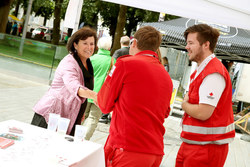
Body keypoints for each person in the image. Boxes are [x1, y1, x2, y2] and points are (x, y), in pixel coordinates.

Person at [97, 26, 173, 166]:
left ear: (134, 43)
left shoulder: (125, 64)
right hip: (154, 150)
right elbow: (165, 112)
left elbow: (104, 104)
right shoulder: (165, 75)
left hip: (128, 148)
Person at [175, 24, 235, 167]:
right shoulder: (205, 70)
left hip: (206, 148)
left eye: (191, 43)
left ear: (206, 45)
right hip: (196, 145)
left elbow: (203, 113)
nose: (186, 47)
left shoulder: (213, 72)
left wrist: (184, 105)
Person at [31, 27, 98, 136]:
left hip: (70, 116)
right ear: (75, 45)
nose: (89, 47)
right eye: (85, 43)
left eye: (92, 44)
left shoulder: (88, 63)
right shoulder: (69, 62)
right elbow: (73, 85)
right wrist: (96, 96)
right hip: (51, 115)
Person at [83, 36, 115, 140]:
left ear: (98, 46)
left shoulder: (90, 59)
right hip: (101, 96)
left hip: (86, 91)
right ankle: (84, 139)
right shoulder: (112, 61)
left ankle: (74, 135)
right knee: (93, 119)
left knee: (82, 116)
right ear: (109, 48)